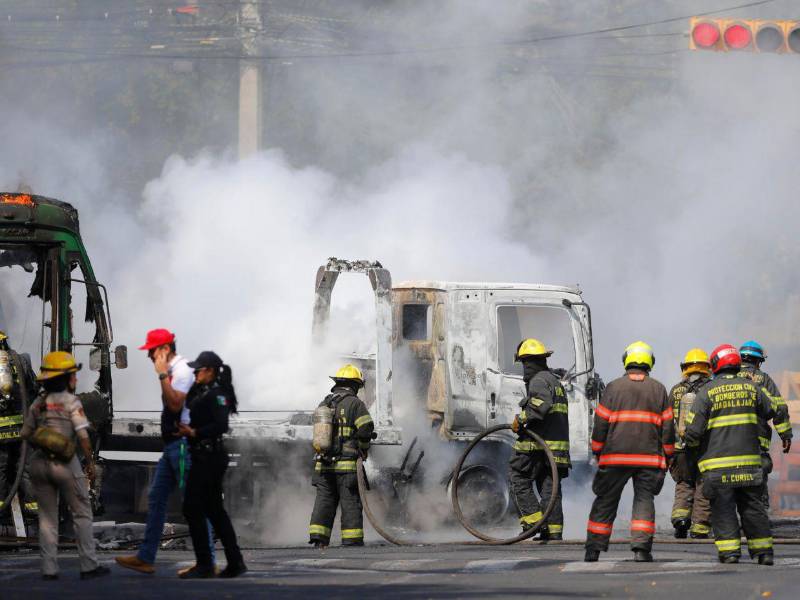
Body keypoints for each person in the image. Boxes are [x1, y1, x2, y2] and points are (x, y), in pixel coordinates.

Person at [116, 329, 215, 575]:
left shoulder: (181, 371)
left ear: (165, 350)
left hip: (183, 448)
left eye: (152, 351)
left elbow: (174, 404)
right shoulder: (175, 372)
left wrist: (161, 375)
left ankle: (206, 562)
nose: (149, 356)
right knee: (157, 499)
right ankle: (146, 557)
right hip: (173, 446)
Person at [685, 344, 791, 565]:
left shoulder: (707, 392)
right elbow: (774, 409)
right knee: (752, 507)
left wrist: (691, 446)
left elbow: (692, 431)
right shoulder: (753, 388)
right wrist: (783, 432)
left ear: (716, 365)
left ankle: (730, 553)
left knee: (723, 509)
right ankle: (764, 553)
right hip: (750, 465)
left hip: (719, 467)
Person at [20, 351, 109, 580]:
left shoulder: (38, 404)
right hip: (65, 464)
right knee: (81, 513)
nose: (76, 379)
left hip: (39, 464)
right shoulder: (71, 402)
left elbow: (26, 433)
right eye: (73, 375)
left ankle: (49, 569)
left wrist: (45, 439)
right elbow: (83, 437)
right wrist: (89, 463)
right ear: (65, 378)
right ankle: (88, 566)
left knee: (47, 518)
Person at [585, 341, 674, 563]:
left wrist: (597, 450)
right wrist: (668, 455)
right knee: (644, 502)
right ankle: (641, 550)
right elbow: (668, 428)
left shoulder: (613, 388)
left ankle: (593, 549)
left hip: (615, 457)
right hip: (648, 460)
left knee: (605, 501)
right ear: (649, 362)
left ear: (627, 360)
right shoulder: (659, 389)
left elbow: (601, 424)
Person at [178, 351, 246, 579]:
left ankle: (206, 563)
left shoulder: (218, 395)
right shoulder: (204, 391)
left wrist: (195, 432)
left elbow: (221, 425)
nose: (195, 373)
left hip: (210, 457)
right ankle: (234, 562)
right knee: (214, 511)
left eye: (199, 370)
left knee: (193, 507)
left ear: (210, 371)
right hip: (203, 455)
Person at [509, 338, 570, 541]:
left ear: (529, 363)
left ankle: (532, 523)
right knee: (549, 490)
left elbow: (540, 406)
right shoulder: (554, 380)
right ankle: (553, 531)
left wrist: (521, 419)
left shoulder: (538, 380)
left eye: (525, 363)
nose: (524, 368)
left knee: (518, 477)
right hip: (555, 450)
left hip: (538, 447)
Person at [308, 364, 374, 548]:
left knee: (324, 501)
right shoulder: (355, 404)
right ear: (354, 385)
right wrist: (364, 447)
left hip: (323, 465)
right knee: (350, 502)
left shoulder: (325, 403)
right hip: (346, 467)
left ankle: (318, 538)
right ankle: (352, 539)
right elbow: (366, 427)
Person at [738, 341, 792, 510]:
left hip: (726, 441)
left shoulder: (727, 377)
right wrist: (785, 434)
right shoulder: (764, 379)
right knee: (758, 480)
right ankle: (758, 519)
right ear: (757, 361)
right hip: (756, 441)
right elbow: (779, 407)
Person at [669, 348, 713, 539]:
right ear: (707, 368)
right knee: (702, 485)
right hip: (705, 448)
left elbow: (667, 419)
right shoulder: (712, 388)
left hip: (680, 449)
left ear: (685, 368)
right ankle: (700, 527)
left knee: (684, 483)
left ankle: (681, 520)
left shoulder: (676, 390)